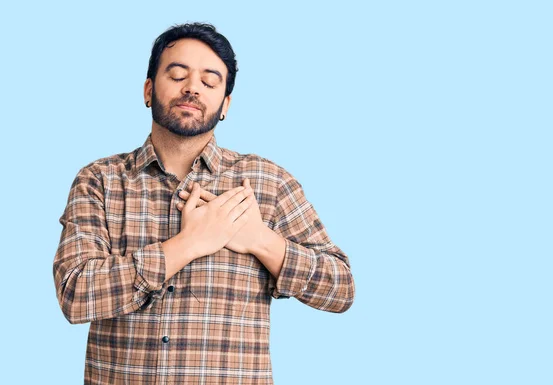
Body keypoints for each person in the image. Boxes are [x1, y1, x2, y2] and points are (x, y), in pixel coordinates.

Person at [52, 22, 354, 384]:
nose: (192, 87)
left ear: (225, 104)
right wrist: (188, 244)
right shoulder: (99, 180)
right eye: (178, 74)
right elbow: (75, 294)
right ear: (148, 89)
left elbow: (341, 288)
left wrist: (260, 240)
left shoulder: (267, 182)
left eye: (210, 82)